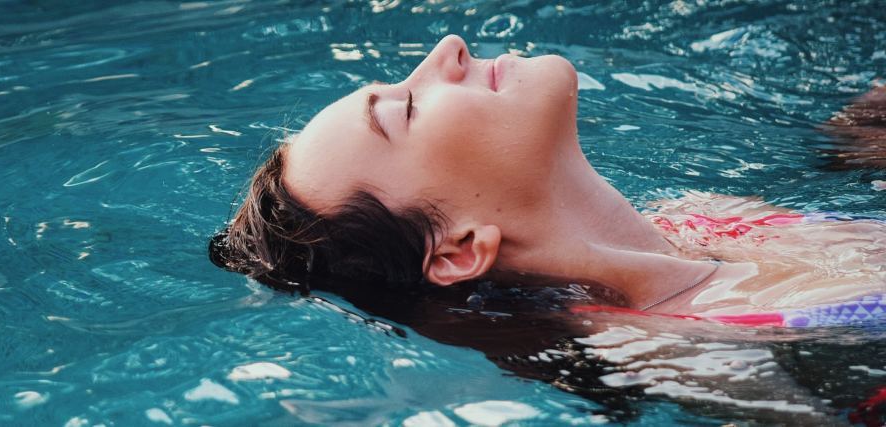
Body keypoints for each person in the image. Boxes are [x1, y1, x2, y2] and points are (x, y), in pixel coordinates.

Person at [209, 34, 886, 320]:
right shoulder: (691, 349)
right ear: (458, 250)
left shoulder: (706, 215)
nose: (448, 49)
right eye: (406, 110)